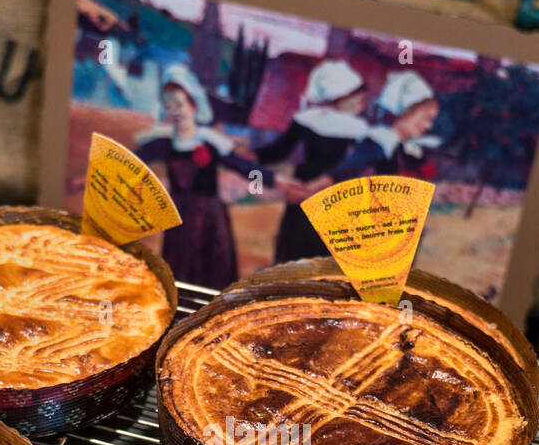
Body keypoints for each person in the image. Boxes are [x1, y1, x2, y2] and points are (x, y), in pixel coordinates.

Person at [136, 64, 276, 289]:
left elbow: (244, 166)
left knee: (211, 273)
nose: (176, 111)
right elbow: (131, 161)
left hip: (210, 217)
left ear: (193, 104)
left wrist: (275, 181)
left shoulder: (210, 140)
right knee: (178, 272)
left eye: (180, 104)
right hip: (178, 217)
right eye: (169, 106)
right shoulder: (164, 141)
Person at [254, 59, 369, 261]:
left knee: (302, 247)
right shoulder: (358, 128)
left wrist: (251, 155)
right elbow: (279, 151)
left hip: (310, 184)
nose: (362, 102)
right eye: (357, 96)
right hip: (331, 189)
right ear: (341, 96)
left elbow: (277, 152)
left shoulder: (309, 119)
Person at [331, 71, 443, 183]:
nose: (429, 126)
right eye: (426, 118)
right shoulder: (379, 143)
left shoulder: (408, 148)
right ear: (407, 114)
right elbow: (338, 176)